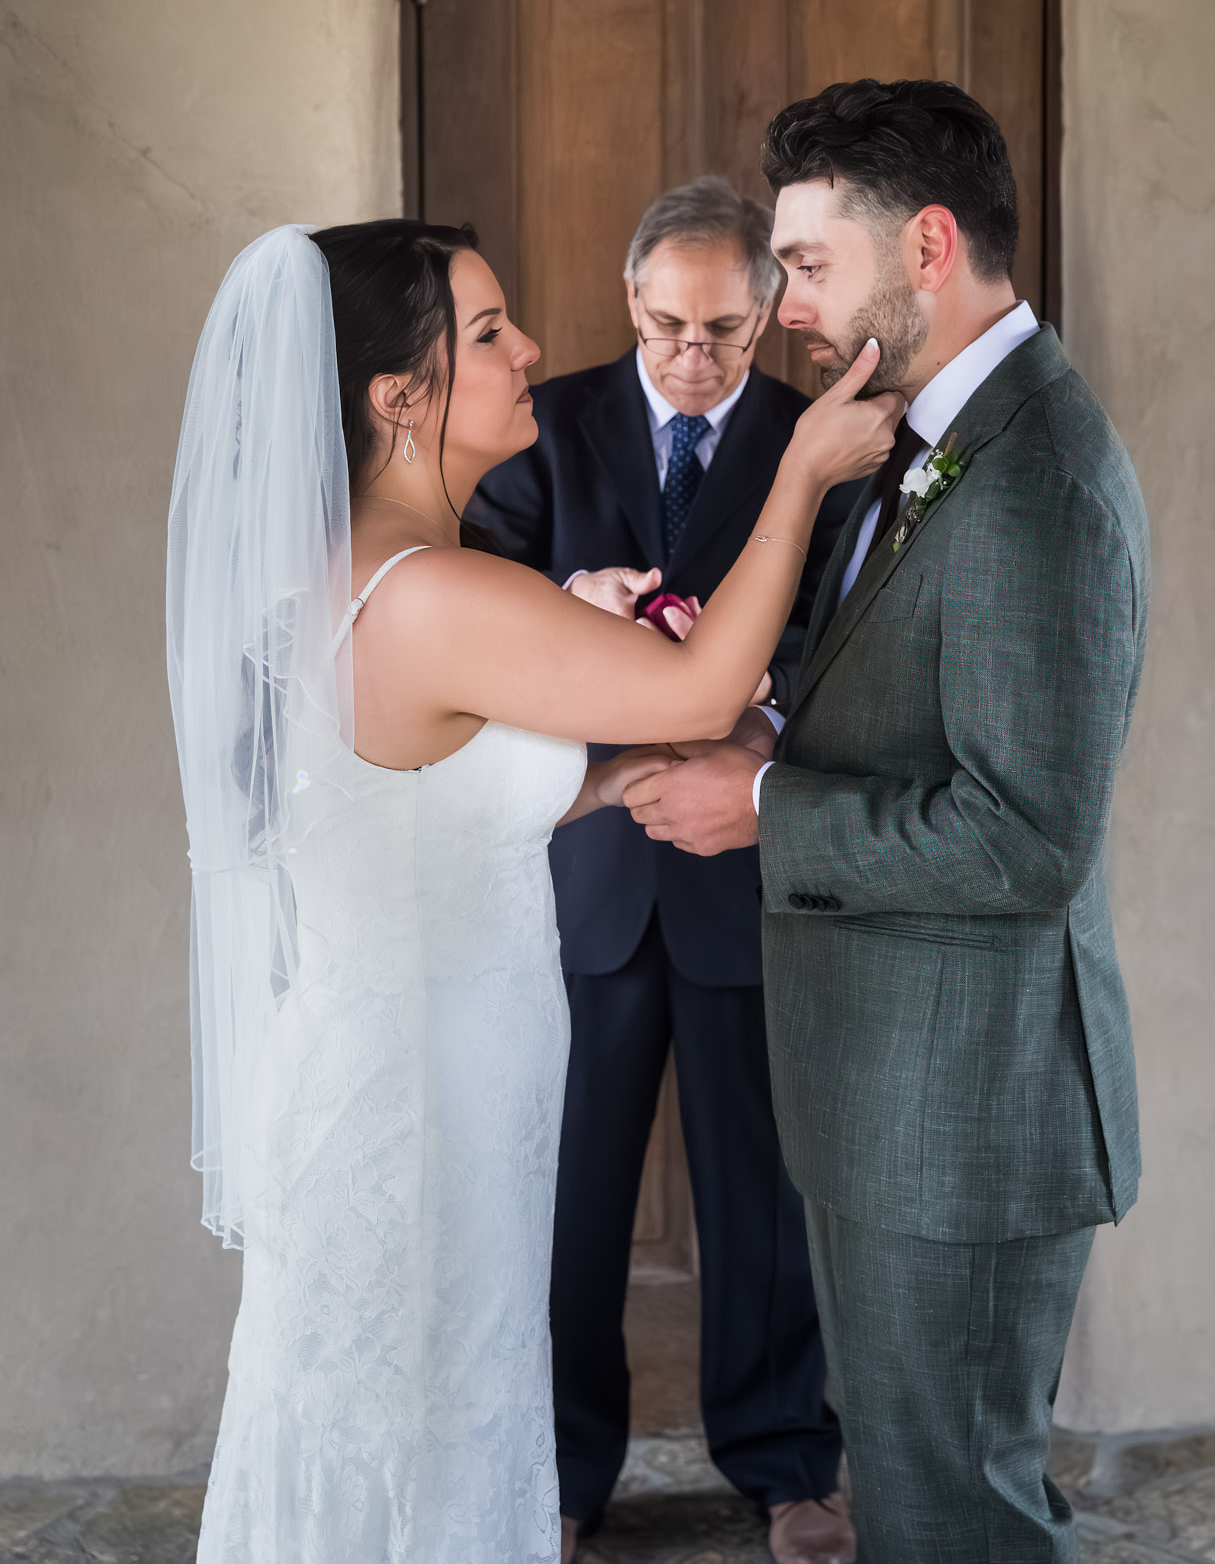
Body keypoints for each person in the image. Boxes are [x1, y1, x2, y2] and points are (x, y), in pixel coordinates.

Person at [165, 218, 897, 1564]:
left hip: (398, 1080)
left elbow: (411, 799)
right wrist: (795, 476)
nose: (531, 352)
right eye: (488, 333)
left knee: (406, 1433)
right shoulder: (431, 588)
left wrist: (603, 785)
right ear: (397, 396)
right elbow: (695, 688)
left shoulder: (348, 576)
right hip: (424, 1112)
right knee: (427, 1438)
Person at [624, 80, 1150, 1564]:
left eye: (803, 263)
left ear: (924, 244)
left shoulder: (1035, 477)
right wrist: (769, 728)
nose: (782, 306)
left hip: (966, 1117)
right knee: (920, 1501)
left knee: (951, 1523)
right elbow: (890, 693)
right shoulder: (907, 434)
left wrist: (770, 803)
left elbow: (1023, 839)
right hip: (892, 1103)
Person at [470, 178, 859, 1564]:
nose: (693, 358)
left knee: (758, 1184)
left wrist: (759, 718)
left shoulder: (812, 444)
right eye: (666, 325)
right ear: (630, 301)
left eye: (725, 333)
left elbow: (836, 627)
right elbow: (472, 599)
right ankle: (562, 1474)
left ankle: (785, 1463)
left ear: (767, 315)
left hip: (744, 870)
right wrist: (566, 613)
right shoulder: (546, 425)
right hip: (583, 876)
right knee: (566, 1195)